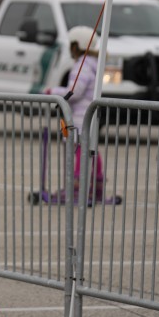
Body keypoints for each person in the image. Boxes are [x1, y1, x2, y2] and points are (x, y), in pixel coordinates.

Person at [45, 25, 104, 199]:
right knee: (91, 148)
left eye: (71, 44)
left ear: (77, 45)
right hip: (90, 114)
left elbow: (75, 91)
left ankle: (77, 186)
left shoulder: (82, 65)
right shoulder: (93, 64)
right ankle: (96, 185)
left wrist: (52, 92)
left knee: (79, 148)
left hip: (80, 115)